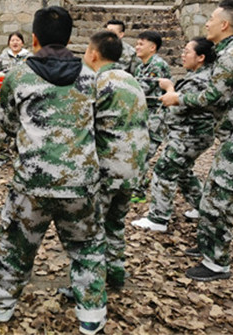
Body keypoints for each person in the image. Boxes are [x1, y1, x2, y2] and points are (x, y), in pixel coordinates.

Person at [0, 6, 107, 335]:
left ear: (34, 39)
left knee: (14, 245)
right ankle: (92, 316)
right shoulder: (90, 76)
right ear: (70, 38)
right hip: (80, 184)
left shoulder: (19, 75)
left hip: (31, 184)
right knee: (88, 249)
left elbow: (8, 124)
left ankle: (1, 306)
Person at [160, 0, 233, 282]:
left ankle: (217, 263)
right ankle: (207, 246)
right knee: (212, 192)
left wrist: (177, 98)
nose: (207, 23)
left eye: (211, 18)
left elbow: (212, 96)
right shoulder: (225, 53)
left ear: (224, 24)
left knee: (221, 199)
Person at [81, 30, 149, 289]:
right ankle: (117, 275)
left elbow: (83, 122)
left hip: (107, 170)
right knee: (115, 226)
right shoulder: (132, 80)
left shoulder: (97, 82)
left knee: (92, 232)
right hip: (133, 168)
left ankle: (90, 288)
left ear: (93, 54)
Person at [132, 37, 217, 232]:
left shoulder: (198, 80)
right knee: (183, 173)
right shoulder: (199, 75)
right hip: (192, 133)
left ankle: (158, 219)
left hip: (190, 135)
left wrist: (170, 89)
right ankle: (202, 208)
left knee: (164, 170)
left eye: (187, 52)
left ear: (201, 57)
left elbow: (176, 109)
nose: (183, 55)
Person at [131, 30, 171, 203]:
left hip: (157, 116)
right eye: (137, 43)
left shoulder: (157, 65)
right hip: (144, 114)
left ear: (152, 47)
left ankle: (138, 191)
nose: (137, 47)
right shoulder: (141, 66)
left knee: (144, 154)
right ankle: (139, 185)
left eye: (141, 44)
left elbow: (140, 90)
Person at [0, 32, 31, 166]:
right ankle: (3, 155)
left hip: (24, 97)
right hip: (7, 97)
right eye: (12, 40)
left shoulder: (29, 58)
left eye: (18, 40)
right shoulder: (2, 58)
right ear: (9, 43)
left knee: (24, 125)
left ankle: (21, 153)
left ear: (22, 43)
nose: (15, 43)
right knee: (4, 124)